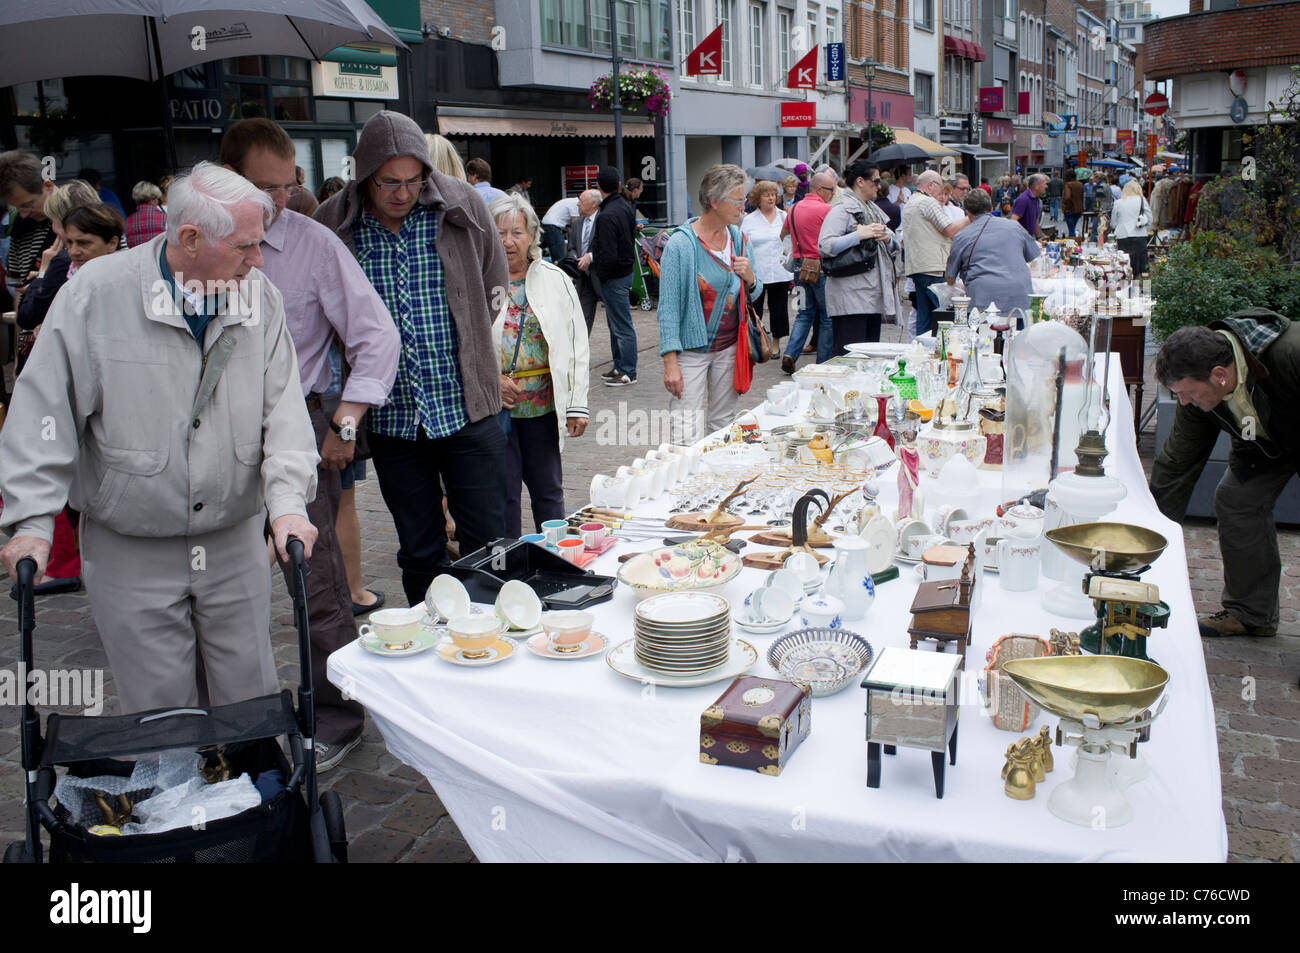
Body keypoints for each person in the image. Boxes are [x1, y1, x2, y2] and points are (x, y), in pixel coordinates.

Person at [0, 161, 319, 715]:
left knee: (252, 698)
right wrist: (30, 522)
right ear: (191, 238)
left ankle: (255, 797)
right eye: (245, 246)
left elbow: (284, 411)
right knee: (159, 709)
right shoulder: (96, 294)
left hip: (231, 539)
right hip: (132, 540)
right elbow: (43, 411)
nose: (258, 260)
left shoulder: (257, 297)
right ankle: (174, 799)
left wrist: (288, 505)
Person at [222, 117, 400, 769]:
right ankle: (221, 719)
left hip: (300, 420)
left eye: (286, 184)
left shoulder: (314, 245)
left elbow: (375, 336)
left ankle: (336, 711)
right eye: (261, 186)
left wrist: (345, 421)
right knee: (218, 582)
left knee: (317, 580)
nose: (278, 200)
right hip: (213, 432)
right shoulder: (190, 249)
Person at [315, 111, 508, 608]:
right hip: (395, 419)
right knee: (419, 547)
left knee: (488, 542)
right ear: (365, 176)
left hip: (466, 407)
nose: (403, 192)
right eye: (389, 183)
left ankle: (492, 634)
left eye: (413, 180)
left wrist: (478, 355)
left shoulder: (459, 203)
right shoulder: (335, 222)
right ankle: (431, 641)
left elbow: (494, 281)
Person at [1150, 312, 1300, 641]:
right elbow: (1177, 462)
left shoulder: (1291, 354)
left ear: (1219, 374)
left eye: (1188, 393)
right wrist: (1147, 539)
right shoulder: (1201, 388)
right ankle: (1250, 614)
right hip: (1265, 446)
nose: (1184, 402)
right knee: (1236, 500)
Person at [15, 196, 123, 597]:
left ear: (112, 242)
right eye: (71, 241)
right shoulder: (73, 274)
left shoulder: (123, 284)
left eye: (84, 243)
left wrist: (44, 274)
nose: (74, 251)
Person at [490, 193, 590, 536]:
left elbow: (577, 343)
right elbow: (465, 344)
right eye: (499, 232)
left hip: (543, 406)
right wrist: (492, 381)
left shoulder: (554, 279)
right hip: (496, 407)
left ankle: (555, 557)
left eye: (516, 232)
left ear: (532, 234)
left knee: (548, 491)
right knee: (501, 495)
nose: (508, 241)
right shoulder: (478, 281)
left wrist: (578, 404)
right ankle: (507, 567)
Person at [658, 164, 762, 445]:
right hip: (691, 352)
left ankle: (714, 481)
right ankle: (682, 486)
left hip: (730, 347)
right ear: (714, 201)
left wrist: (750, 277)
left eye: (744, 200)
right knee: (684, 429)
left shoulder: (738, 239)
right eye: (737, 200)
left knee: (723, 424)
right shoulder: (681, 245)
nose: (743, 206)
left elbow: (756, 289)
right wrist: (670, 363)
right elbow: (667, 308)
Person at [818, 161, 900, 354]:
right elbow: (825, 245)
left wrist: (887, 238)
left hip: (871, 296)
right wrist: (858, 235)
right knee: (849, 356)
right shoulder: (841, 209)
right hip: (850, 298)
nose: (879, 186)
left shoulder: (872, 209)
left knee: (869, 357)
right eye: (876, 181)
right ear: (861, 181)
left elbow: (895, 244)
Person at [944, 186, 1040, 314]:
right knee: (1018, 332)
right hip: (1020, 295)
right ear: (991, 208)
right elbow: (1033, 254)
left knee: (985, 332)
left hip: (983, 298)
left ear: (968, 212)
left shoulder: (962, 236)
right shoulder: (1014, 226)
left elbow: (950, 277)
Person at [780, 169, 836, 372]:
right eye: (831, 189)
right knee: (827, 316)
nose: (833, 193)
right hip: (820, 268)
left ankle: (790, 353)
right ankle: (823, 362)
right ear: (821, 189)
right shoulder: (827, 210)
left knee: (804, 313)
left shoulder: (793, 208)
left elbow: (783, 234)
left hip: (799, 268)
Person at [901, 169, 965, 338]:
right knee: (945, 315)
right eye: (940, 186)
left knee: (924, 317)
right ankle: (944, 353)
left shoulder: (911, 202)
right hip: (934, 267)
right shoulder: (928, 202)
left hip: (918, 267)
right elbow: (949, 229)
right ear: (931, 185)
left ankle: (922, 351)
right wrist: (971, 218)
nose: (941, 191)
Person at [592, 165, 638, 387]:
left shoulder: (606, 214)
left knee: (621, 325)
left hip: (614, 275)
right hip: (624, 271)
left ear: (599, 186)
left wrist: (601, 273)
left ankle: (628, 370)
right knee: (616, 324)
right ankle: (620, 366)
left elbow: (608, 253)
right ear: (619, 185)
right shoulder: (625, 207)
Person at [0, 151, 58, 302]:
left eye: (27, 205)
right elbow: (17, 288)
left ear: (48, 186)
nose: (23, 214)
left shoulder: (88, 217)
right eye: (17, 208)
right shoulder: (21, 228)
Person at [741, 180, 793, 346]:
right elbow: (742, 244)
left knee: (778, 310)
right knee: (754, 309)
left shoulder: (784, 216)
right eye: (766, 195)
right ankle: (757, 343)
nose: (771, 198)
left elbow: (791, 242)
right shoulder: (750, 220)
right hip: (757, 272)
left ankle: (776, 345)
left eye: (773, 194)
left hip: (779, 270)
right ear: (758, 198)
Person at [566, 188, 603, 332]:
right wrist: (574, 257)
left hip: (600, 275)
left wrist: (591, 257)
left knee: (614, 320)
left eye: (581, 201)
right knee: (583, 317)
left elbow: (607, 247)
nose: (577, 204)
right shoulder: (576, 223)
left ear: (594, 204)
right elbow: (571, 247)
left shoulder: (603, 220)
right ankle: (581, 350)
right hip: (582, 275)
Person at [1111, 179, 1152, 277]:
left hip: (1122, 235)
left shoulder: (1118, 202)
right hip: (1139, 235)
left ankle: (1126, 289)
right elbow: (1150, 217)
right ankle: (1144, 290)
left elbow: (1113, 223)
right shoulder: (1142, 200)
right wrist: (1145, 229)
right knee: (1142, 267)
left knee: (1125, 265)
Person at [541, 194, 581, 263]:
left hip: (547, 224)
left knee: (548, 249)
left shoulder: (570, 201)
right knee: (560, 258)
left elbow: (569, 228)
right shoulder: (576, 204)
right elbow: (574, 227)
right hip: (553, 226)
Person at [125, 180, 167, 248]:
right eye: (157, 199)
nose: (157, 202)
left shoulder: (127, 222)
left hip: (136, 257)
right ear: (152, 200)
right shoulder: (164, 218)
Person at [1010, 173, 1047, 239]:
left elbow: (1035, 220)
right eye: (1044, 184)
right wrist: (1024, 236)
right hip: (1021, 240)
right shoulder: (1023, 199)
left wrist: (1039, 237)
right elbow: (1013, 220)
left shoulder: (1036, 199)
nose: (1046, 186)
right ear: (1036, 186)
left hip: (1028, 239)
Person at [1062, 173, 1084, 238]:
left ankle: (1072, 241)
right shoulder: (1080, 184)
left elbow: (1067, 197)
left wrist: (1065, 204)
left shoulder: (1068, 184)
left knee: (1071, 228)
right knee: (1072, 226)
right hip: (1079, 208)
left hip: (1070, 208)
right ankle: (1073, 239)